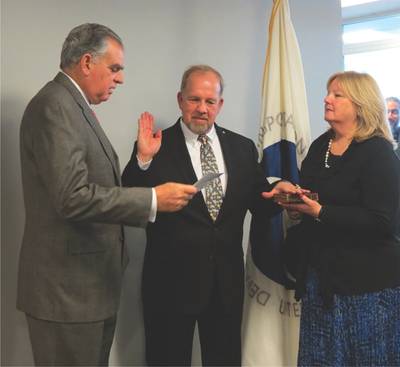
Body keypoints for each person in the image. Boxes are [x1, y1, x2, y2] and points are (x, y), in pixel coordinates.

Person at [17, 23, 197, 367]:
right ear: (87, 62)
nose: (120, 79)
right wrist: (153, 200)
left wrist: (143, 161)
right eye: (114, 68)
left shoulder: (74, 106)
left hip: (88, 289)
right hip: (67, 294)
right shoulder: (55, 106)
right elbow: (72, 197)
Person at [122, 65, 295, 366]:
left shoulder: (241, 148)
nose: (202, 109)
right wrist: (143, 159)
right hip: (169, 286)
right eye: (194, 100)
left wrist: (279, 192)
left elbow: (258, 199)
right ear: (180, 100)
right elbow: (131, 198)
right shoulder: (156, 144)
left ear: (220, 105)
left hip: (225, 286)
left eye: (210, 101)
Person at [276, 71, 400, 366]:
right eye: (328, 92)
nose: (326, 99)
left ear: (359, 104)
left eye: (337, 95)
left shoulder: (378, 152)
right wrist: (295, 202)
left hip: (368, 287)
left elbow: (382, 221)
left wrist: (320, 212)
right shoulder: (321, 147)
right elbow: (315, 198)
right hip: (322, 280)